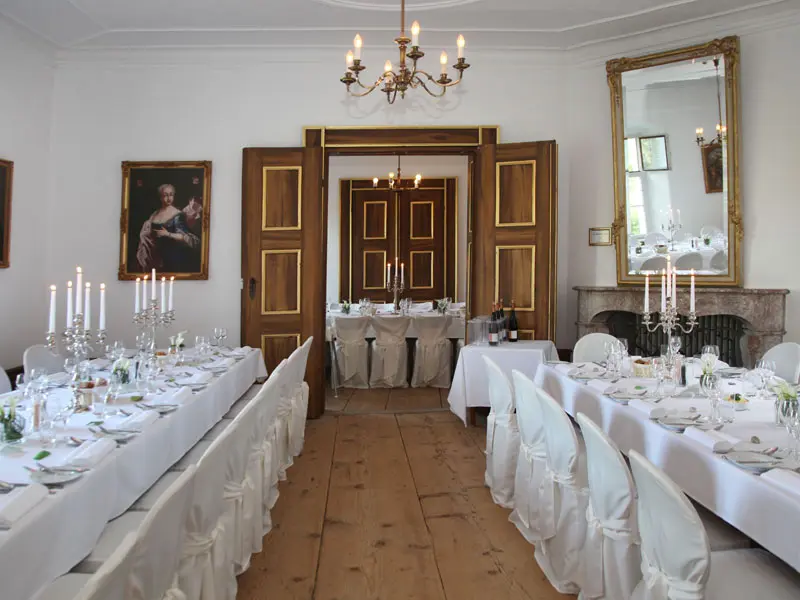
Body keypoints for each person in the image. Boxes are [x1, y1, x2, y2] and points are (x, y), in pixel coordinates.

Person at [136, 183, 200, 272]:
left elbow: (183, 236)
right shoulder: (155, 214)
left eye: (171, 195)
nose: (168, 198)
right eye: (165, 195)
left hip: (170, 257)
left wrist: (167, 234)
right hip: (153, 255)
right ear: (160, 197)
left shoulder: (177, 214)